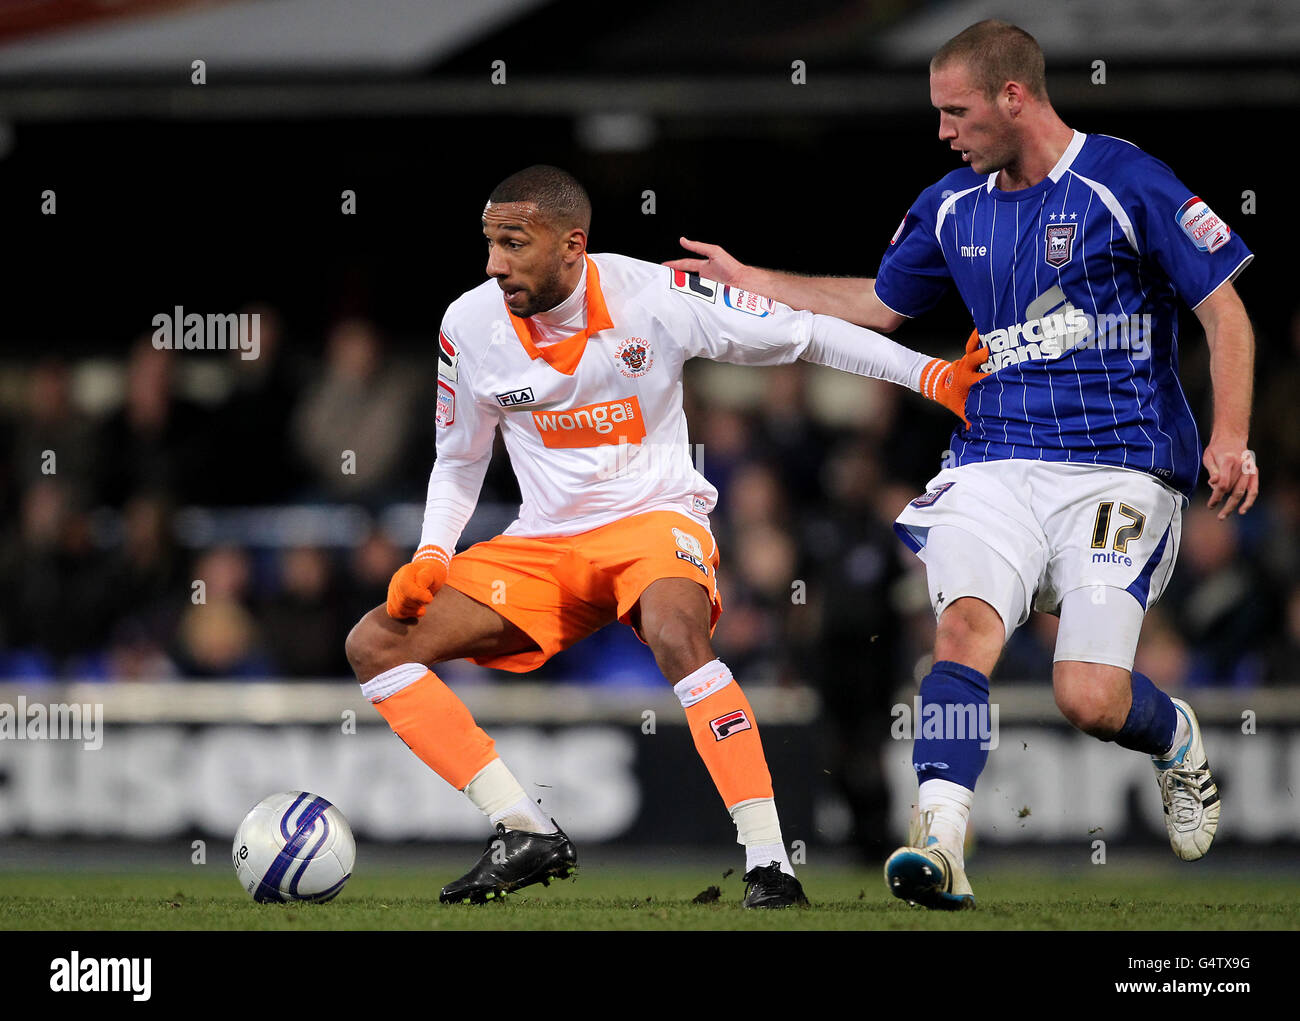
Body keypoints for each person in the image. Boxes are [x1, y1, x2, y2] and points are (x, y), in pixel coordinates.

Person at [665, 19, 1257, 909]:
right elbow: (876, 303)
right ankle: (940, 840)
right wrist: (758, 279)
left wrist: (1230, 435)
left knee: (1088, 695)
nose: (943, 130)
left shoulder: (1124, 181)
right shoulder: (953, 202)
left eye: (957, 111)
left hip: (1120, 470)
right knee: (962, 634)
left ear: (1013, 98)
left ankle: (1173, 736)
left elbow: (1226, 313)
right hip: (995, 463)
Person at [344, 164, 983, 908]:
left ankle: (770, 863)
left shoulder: (655, 296)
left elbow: (806, 335)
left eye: (513, 244)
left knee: (681, 635)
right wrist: (431, 553)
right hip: (546, 544)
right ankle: (522, 827)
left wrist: (931, 376)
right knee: (375, 643)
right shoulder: (467, 325)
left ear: (571, 245)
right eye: (489, 244)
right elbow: (458, 461)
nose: (495, 265)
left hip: (653, 521)